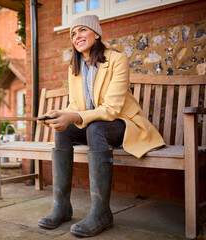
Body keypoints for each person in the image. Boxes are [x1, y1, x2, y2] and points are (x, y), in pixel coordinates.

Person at [37, 15, 165, 237]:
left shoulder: (117, 59)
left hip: (123, 125)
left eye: (82, 31)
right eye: (73, 34)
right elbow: (76, 104)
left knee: (96, 128)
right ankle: (62, 206)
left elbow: (112, 109)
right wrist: (60, 113)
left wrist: (75, 116)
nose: (77, 37)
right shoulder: (74, 67)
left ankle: (101, 212)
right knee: (64, 130)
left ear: (96, 34)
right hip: (96, 126)